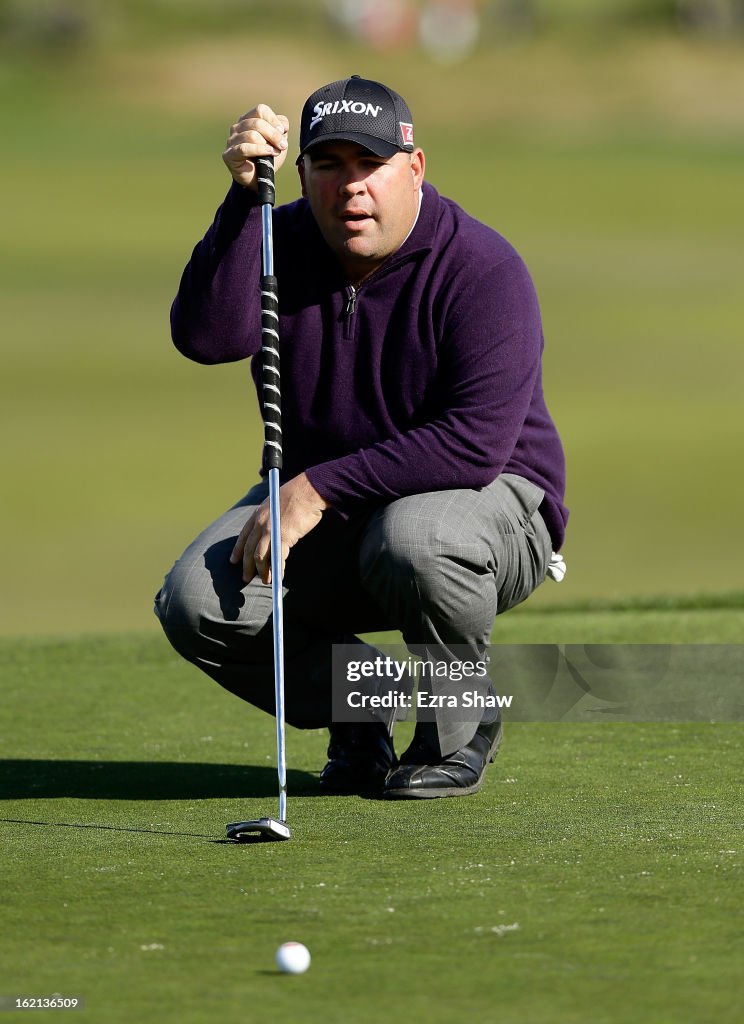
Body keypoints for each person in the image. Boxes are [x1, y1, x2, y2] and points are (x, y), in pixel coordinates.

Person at [155, 75, 568, 799]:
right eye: (329, 166)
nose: (351, 187)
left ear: (414, 168)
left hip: (488, 506)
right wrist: (241, 201)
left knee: (415, 541)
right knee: (197, 602)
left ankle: (458, 719)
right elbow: (206, 336)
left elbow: (473, 444)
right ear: (303, 173)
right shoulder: (280, 240)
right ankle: (364, 708)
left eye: (370, 164)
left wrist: (314, 489)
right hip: (340, 513)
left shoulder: (483, 268)